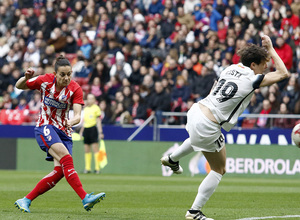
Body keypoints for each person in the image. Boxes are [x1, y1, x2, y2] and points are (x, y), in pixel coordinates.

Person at [160, 35, 289, 220]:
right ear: (253, 65)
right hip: (209, 123)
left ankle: (172, 159)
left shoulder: (230, 68)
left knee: (199, 140)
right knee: (219, 169)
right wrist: (271, 49)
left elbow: (215, 87)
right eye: (263, 63)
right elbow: (283, 73)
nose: (266, 67)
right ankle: (194, 212)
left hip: (196, 110)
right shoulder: (252, 79)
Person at [14, 55, 105, 213]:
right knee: (66, 159)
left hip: (64, 130)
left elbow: (77, 115)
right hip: (45, 126)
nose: (66, 77)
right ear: (55, 74)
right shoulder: (45, 80)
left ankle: (25, 200)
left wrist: (71, 122)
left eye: (69, 74)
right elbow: (19, 86)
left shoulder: (75, 88)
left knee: (60, 172)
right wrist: (26, 78)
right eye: (62, 74)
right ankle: (85, 198)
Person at [80, 94, 104, 174]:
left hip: (93, 129)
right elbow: (84, 122)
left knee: (95, 149)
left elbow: (98, 121)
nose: (89, 100)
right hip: (86, 129)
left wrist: (100, 132)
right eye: (88, 98)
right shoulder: (85, 109)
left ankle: (97, 168)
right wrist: (81, 132)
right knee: (86, 149)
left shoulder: (96, 108)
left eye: (91, 99)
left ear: (94, 100)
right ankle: (87, 168)